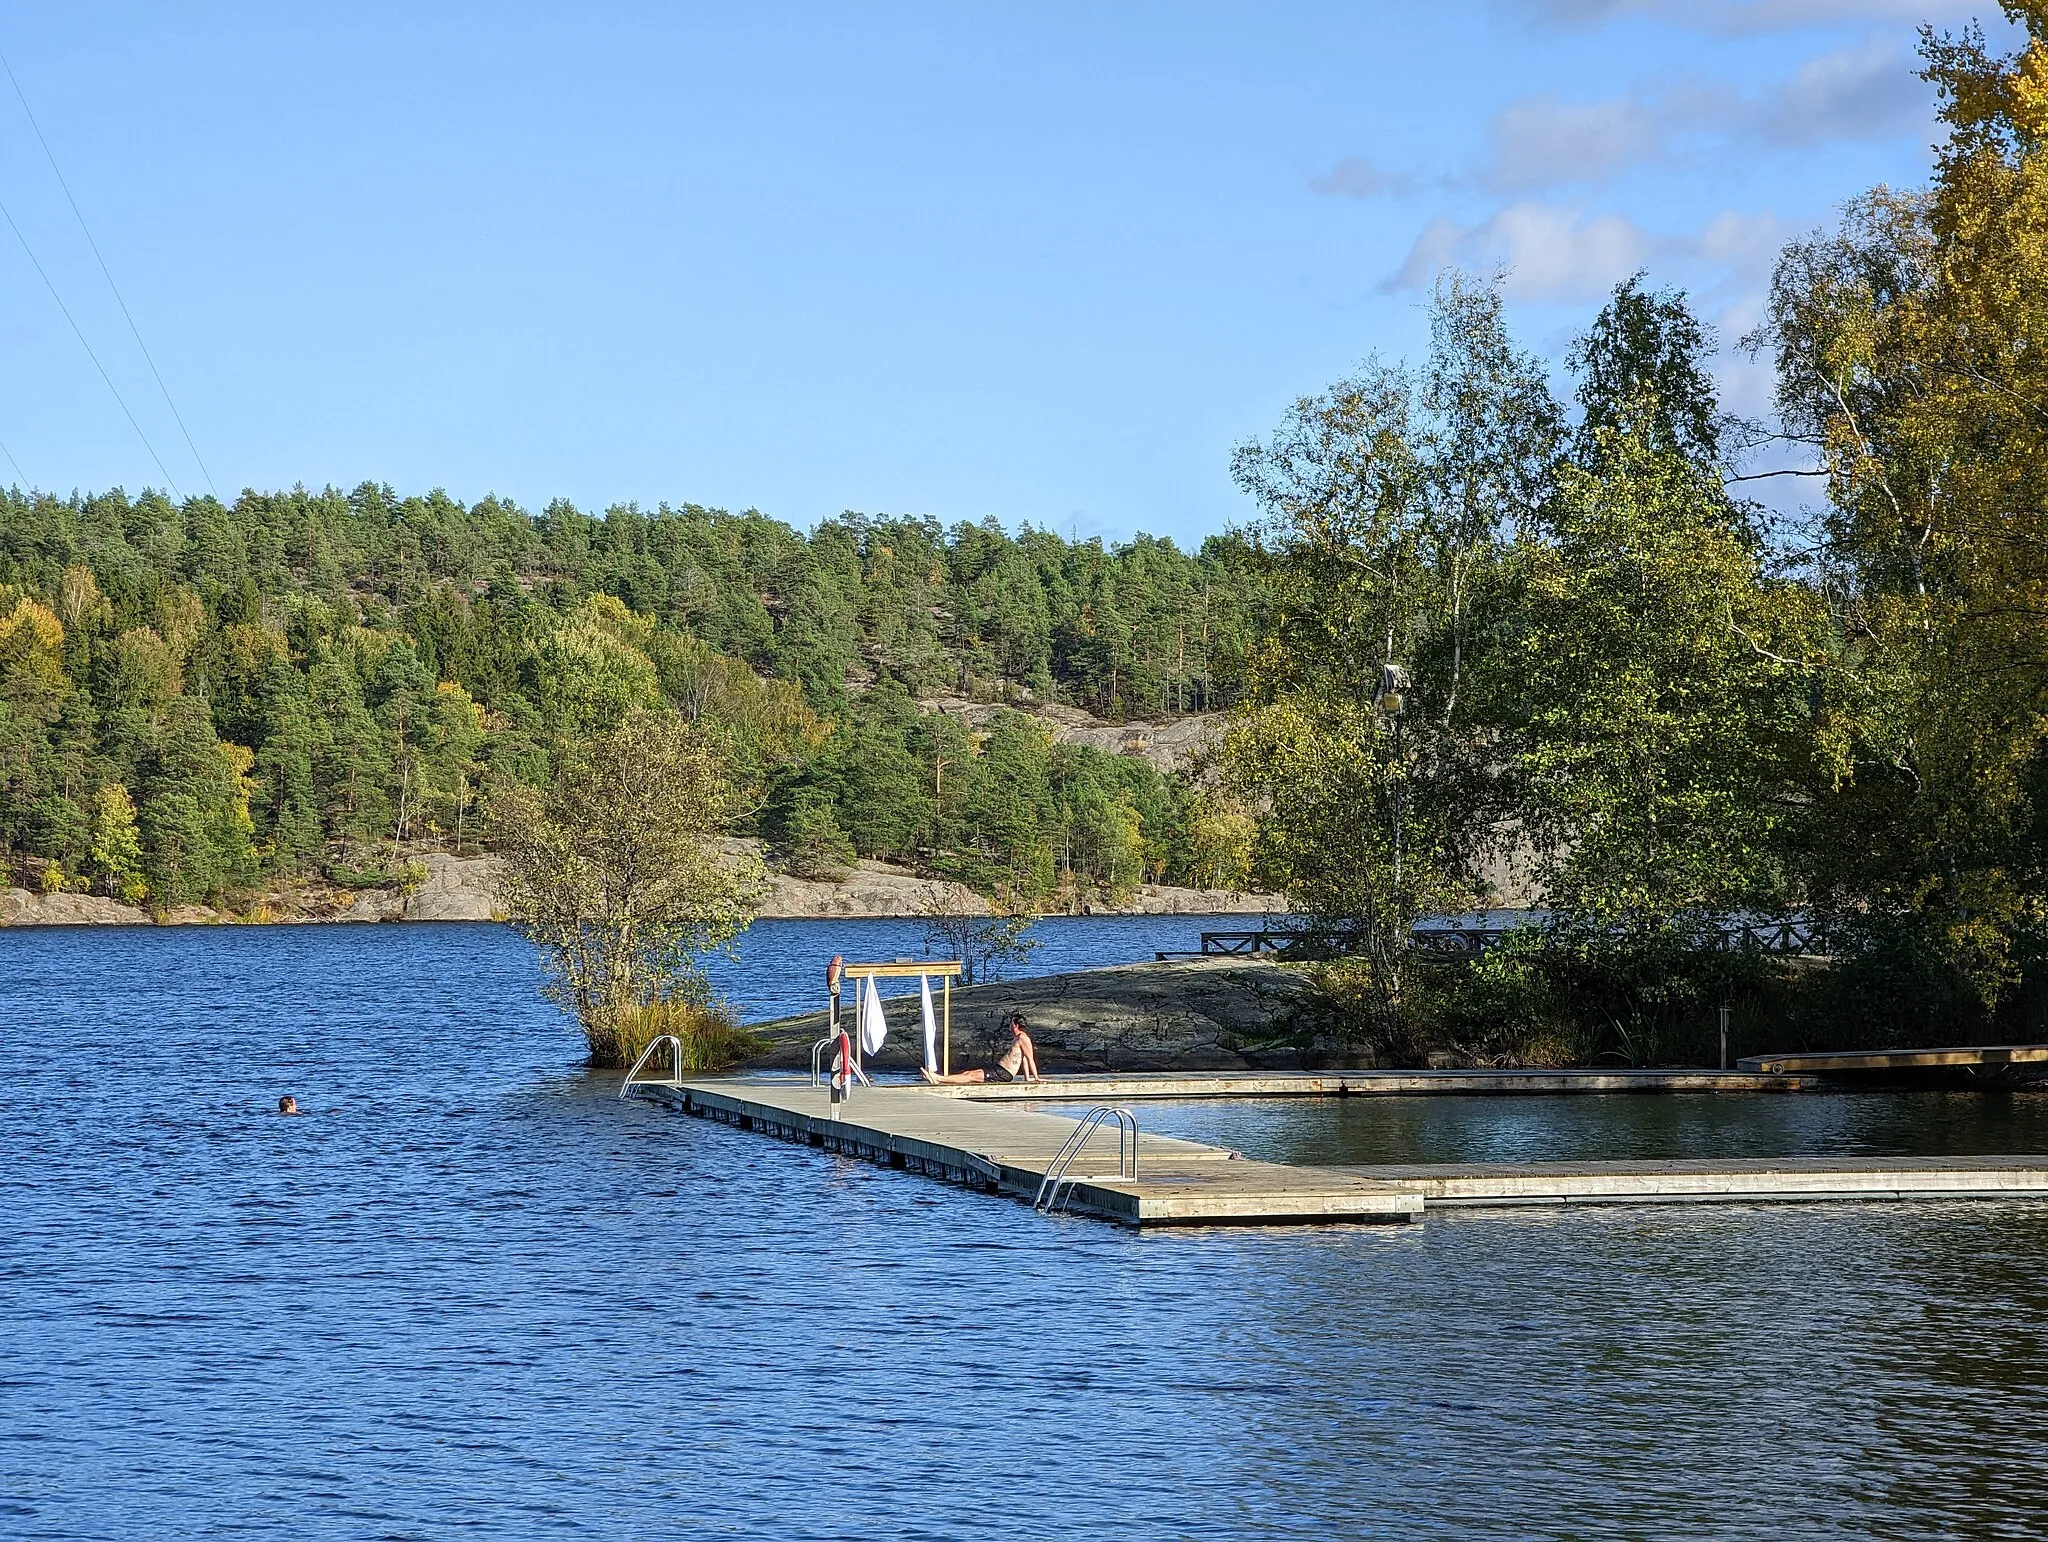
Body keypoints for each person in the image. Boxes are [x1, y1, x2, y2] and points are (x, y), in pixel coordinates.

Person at [920, 1012, 1039, 1085]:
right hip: (999, 1069)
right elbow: (1022, 1059)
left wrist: (1036, 1078)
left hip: (1003, 1074)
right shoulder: (1017, 1038)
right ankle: (939, 1079)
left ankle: (938, 1078)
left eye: (1011, 1023)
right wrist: (1027, 1078)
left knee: (970, 1077)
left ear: (1015, 1025)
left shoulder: (1023, 1038)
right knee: (968, 1073)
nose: (1009, 1026)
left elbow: (1029, 1059)